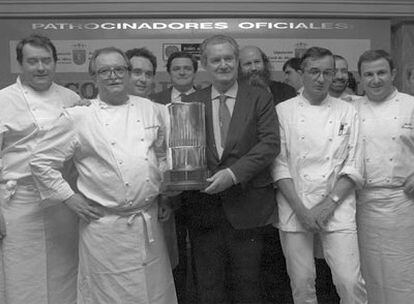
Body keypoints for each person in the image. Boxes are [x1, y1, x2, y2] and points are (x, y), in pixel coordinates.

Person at [30, 46, 177, 304]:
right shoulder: (79, 116)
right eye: (104, 71)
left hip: (147, 222)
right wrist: (69, 197)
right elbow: (41, 161)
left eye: (119, 69)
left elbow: (161, 156)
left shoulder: (151, 109)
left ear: (128, 73)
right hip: (105, 229)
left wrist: (163, 196)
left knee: (154, 294)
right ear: (94, 77)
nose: (113, 76)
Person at [182, 34, 279, 304]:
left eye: (228, 58)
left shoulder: (259, 97)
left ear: (236, 61)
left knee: (248, 286)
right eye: (216, 60)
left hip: (248, 207)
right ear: (205, 64)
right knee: (209, 287)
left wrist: (233, 174)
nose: (223, 64)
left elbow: (270, 144)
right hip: (204, 208)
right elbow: (184, 151)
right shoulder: (192, 101)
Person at [272, 46, 367, 304]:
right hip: (295, 206)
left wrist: (327, 206)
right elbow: (279, 164)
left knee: (349, 282)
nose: (321, 79)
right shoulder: (283, 111)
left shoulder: (348, 110)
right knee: (302, 283)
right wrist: (302, 210)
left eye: (328, 72)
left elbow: (354, 163)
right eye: (314, 72)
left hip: (337, 205)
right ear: (301, 73)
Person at [0, 34, 80, 304]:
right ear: (20, 64)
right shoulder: (3, 100)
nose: (41, 67)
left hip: (62, 202)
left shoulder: (71, 98)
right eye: (32, 61)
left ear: (55, 63)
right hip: (18, 202)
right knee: (21, 273)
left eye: (46, 61)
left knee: (65, 271)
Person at [355, 49, 414, 304]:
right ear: (360, 78)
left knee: (403, 271)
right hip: (363, 203)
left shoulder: (411, 105)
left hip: (403, 203)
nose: (375, 80)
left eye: (381, 73)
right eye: (368, 74)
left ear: (393, 74)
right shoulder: (351, 108)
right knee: (369, 274)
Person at [238, 44, 294, 302]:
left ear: (265, 64)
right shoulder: (237, 96)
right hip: (252, 189)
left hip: (289, 187)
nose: (253, 69)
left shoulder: (286, 92)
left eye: (256, 62)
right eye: (247, 64)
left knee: (284, 259)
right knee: (253, 261)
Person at [151, 51, 199, 304]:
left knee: (200, 251)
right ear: (169, 72)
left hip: (199, 189)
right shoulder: (154, 101)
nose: (181, 72)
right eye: (176, 68)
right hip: (167, 190)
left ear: (194, 72)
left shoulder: (205, 100)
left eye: (187, 68)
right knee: (173, 251)